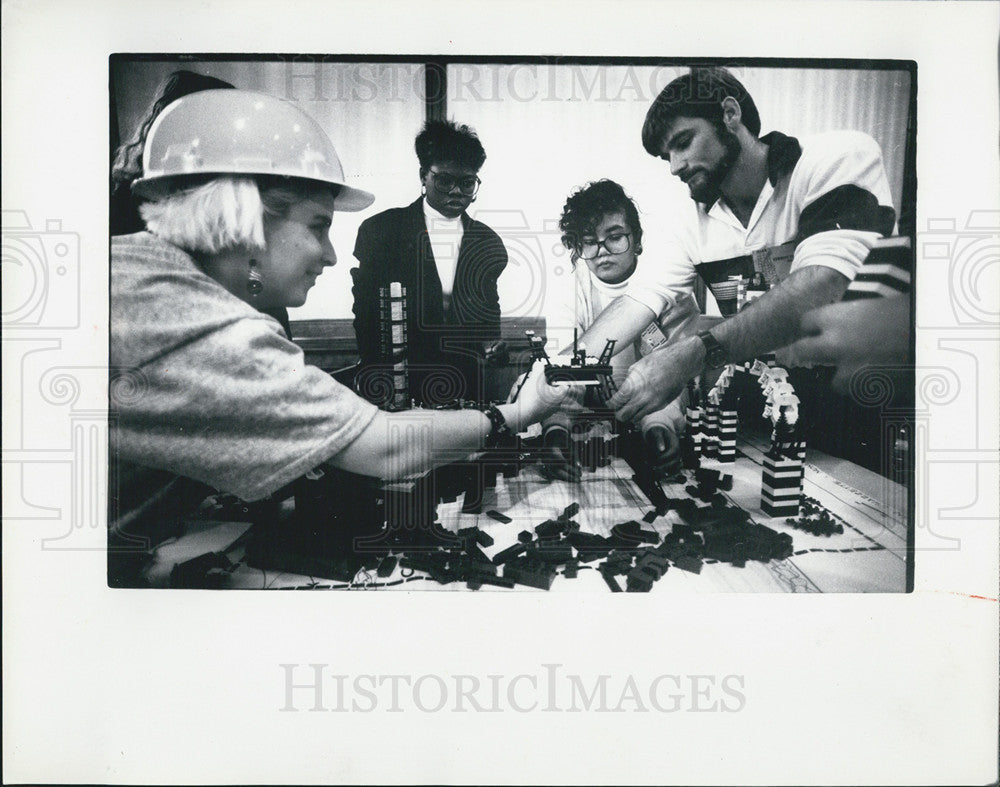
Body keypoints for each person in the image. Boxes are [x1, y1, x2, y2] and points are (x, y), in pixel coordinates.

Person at [110, 89, 568, 583]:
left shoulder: (130, 268)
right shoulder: (199, 321)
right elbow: (382, 446)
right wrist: (518, 414)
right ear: (245, 214)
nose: (330, 256)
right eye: (318, 225)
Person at [569, 67, 896, 428]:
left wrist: (690, 355)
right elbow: (636, 304)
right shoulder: (687, 218)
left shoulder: (835, 156)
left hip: (857, 405)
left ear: (729, 114)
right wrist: (556, 374)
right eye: (667, 157)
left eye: (682, 143)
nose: (675, 167)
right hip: (764, 411)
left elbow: (821, 288)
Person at [544, 179, 699, 480]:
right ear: (578, 248)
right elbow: (558, 373)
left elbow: (671, 374)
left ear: (637, 240)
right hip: (586, 425)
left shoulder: (671, 289)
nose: (601, 251)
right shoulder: (567, 289)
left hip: (651, 414)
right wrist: (555, 430)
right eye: (589, 241)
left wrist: (660, 426)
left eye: (614, 237)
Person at [351, 119, 507, 407]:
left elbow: (488, 321)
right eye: (445, 180)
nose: (457, 191)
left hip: (466, 388)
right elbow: (366, 317)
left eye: (467, 182)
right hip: (398, 385)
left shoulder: (487, 242)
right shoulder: (381, 231)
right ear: (424, 176)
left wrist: (493, 344)